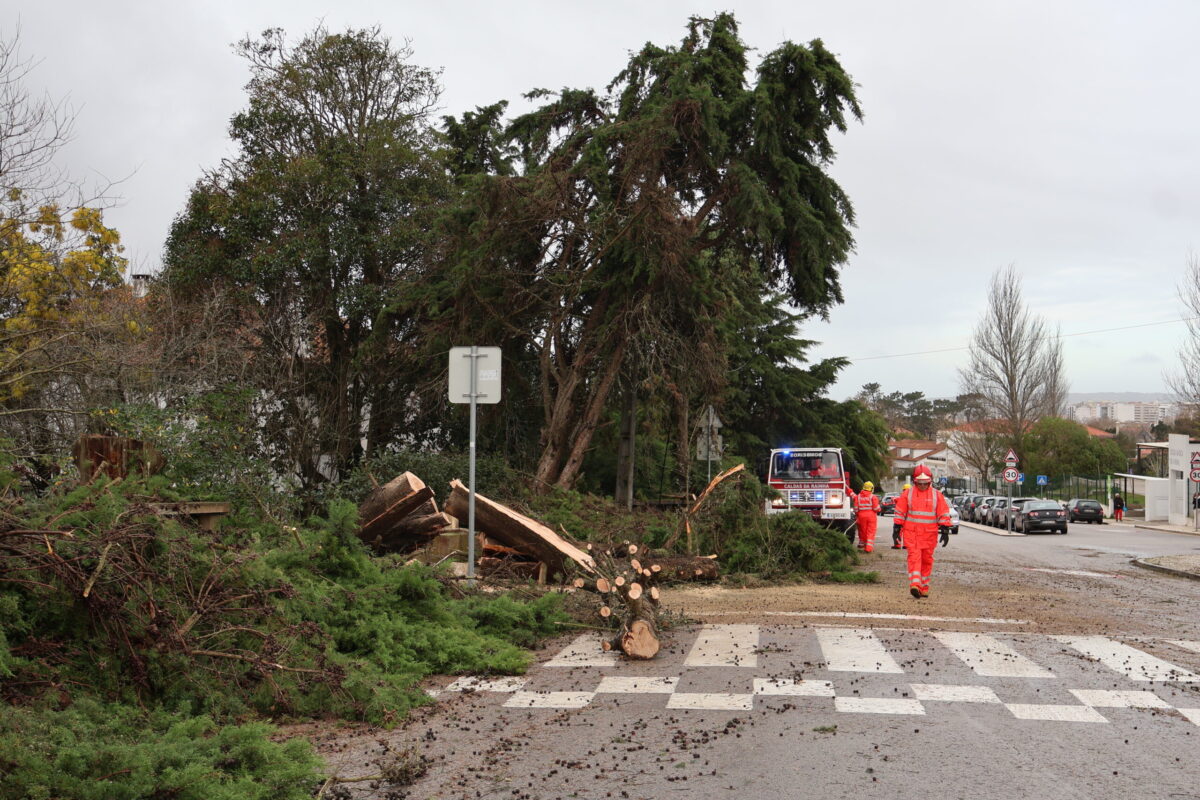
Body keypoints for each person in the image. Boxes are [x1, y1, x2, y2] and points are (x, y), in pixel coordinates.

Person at [892, 465, 952, 598]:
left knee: (927, 560)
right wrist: (896, 528)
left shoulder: (937, 495)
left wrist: (945, 529)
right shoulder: (908, 494)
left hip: (929, 534)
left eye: (925, 483)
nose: (923, 485)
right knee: (914, 557)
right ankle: (915, 584)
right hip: (912, 533)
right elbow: (900, 512)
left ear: (930, 481)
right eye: (920, 483)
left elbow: (943, 513)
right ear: (915, 481)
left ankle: (924, 587)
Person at [854, 480, 882, 553]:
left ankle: (864, 545)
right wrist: (879, 508)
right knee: (871, 531)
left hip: (861, 516)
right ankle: (868, 548)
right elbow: (876, 508)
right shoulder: (873, 497)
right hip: (871, 516)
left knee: (863, 531)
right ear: (871, 488)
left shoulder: (858, 496)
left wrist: (858, 515)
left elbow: (856, 509)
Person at [892, 483, 912, 549]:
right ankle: (906, 545)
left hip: (900, 519)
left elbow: (895, 500)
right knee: (907, 532)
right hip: (909, 519)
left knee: (898, 531)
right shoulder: (912, 499)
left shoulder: (901, 498)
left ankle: (897, 545)